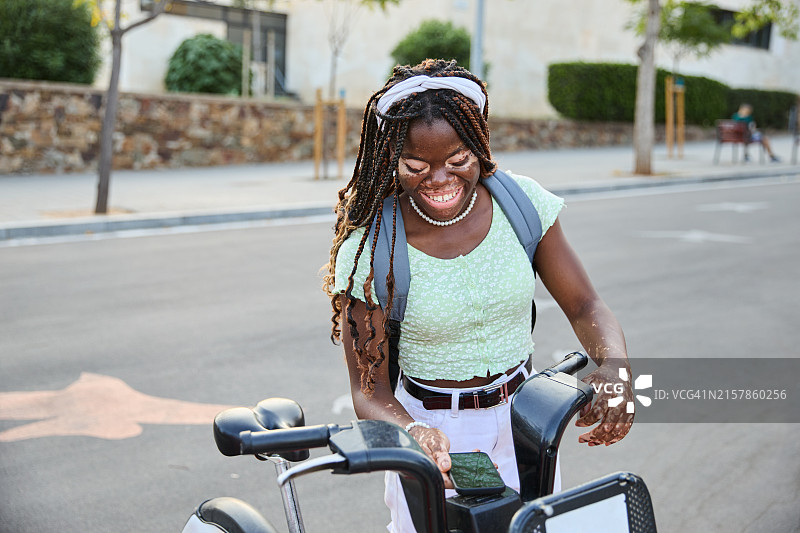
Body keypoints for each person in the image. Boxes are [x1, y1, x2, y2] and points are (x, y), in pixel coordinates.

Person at [323, 59, 633, 533]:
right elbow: (370, 390)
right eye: (415, 165)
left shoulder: (522, 206)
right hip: (432, 431)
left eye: (458, 161)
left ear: (479, 144)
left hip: (527, 421)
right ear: (391, 157)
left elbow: (585, 305)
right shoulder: (370, 248)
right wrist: (413, 433)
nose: (440, 180)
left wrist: (614, 366)